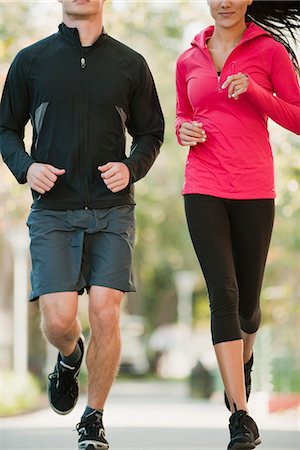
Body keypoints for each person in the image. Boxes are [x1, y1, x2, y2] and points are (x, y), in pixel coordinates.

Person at [0, 0, 164, 448]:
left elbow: (152, 131)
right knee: (58, 320)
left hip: (113, 210)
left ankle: (93, 418)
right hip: (53, 211)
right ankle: (70, 356)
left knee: (105, 311)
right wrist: (26, 167)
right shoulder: (32, 60)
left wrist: (131, 167)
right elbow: (5, 129)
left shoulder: (130, 63)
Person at [175, 1, 300, 449]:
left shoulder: (268, 51)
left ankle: (240, 367)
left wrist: (254, 92)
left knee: (248, 307)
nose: (224, 1)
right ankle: (241, 416)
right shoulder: (188, 57)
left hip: (253, 189)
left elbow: (298, 116)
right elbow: (183, 114)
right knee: (223, 296)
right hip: (203, 186)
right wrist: (183, 130)